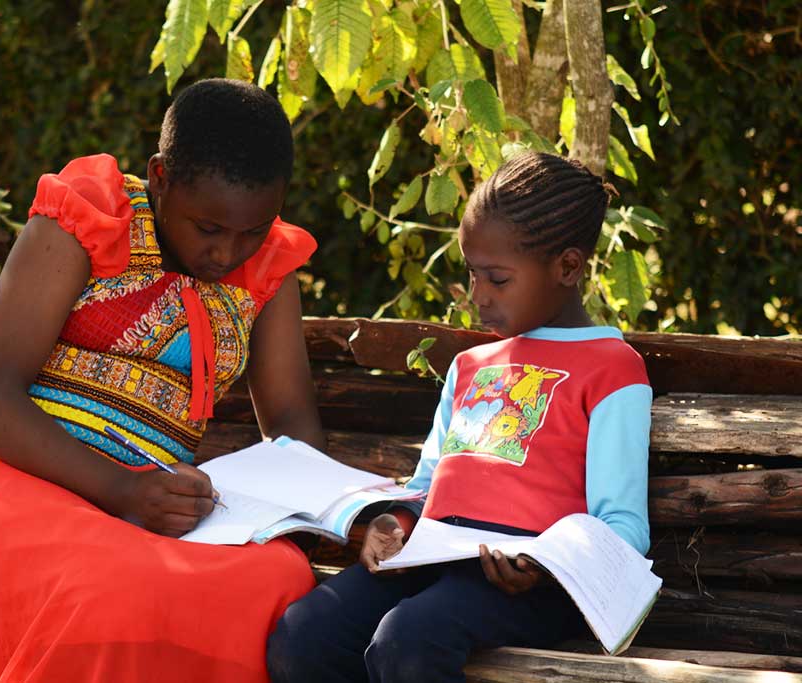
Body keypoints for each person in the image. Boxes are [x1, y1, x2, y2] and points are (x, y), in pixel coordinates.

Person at [0, 78, 325, 682]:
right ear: (159, 176)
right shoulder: (88, 217)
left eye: (252, 231)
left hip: (152, 504)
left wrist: (298, 511)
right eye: (209, 228)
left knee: (281, 578)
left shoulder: (267, 268)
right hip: (20, 475)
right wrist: (124, 493)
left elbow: (291, 419)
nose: (228, 253)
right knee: (112, 590)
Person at [267, 152, 652, 683]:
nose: (478, 296)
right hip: (432, 558)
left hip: (532, 586)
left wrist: (544, 568)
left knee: (408, 641)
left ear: (567, 267)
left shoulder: (612, 368)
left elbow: (624, 528)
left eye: (497, 279)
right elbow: (427, 487)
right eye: (473, 274)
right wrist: (394, 523)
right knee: (304, 632)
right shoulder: (470, 366)